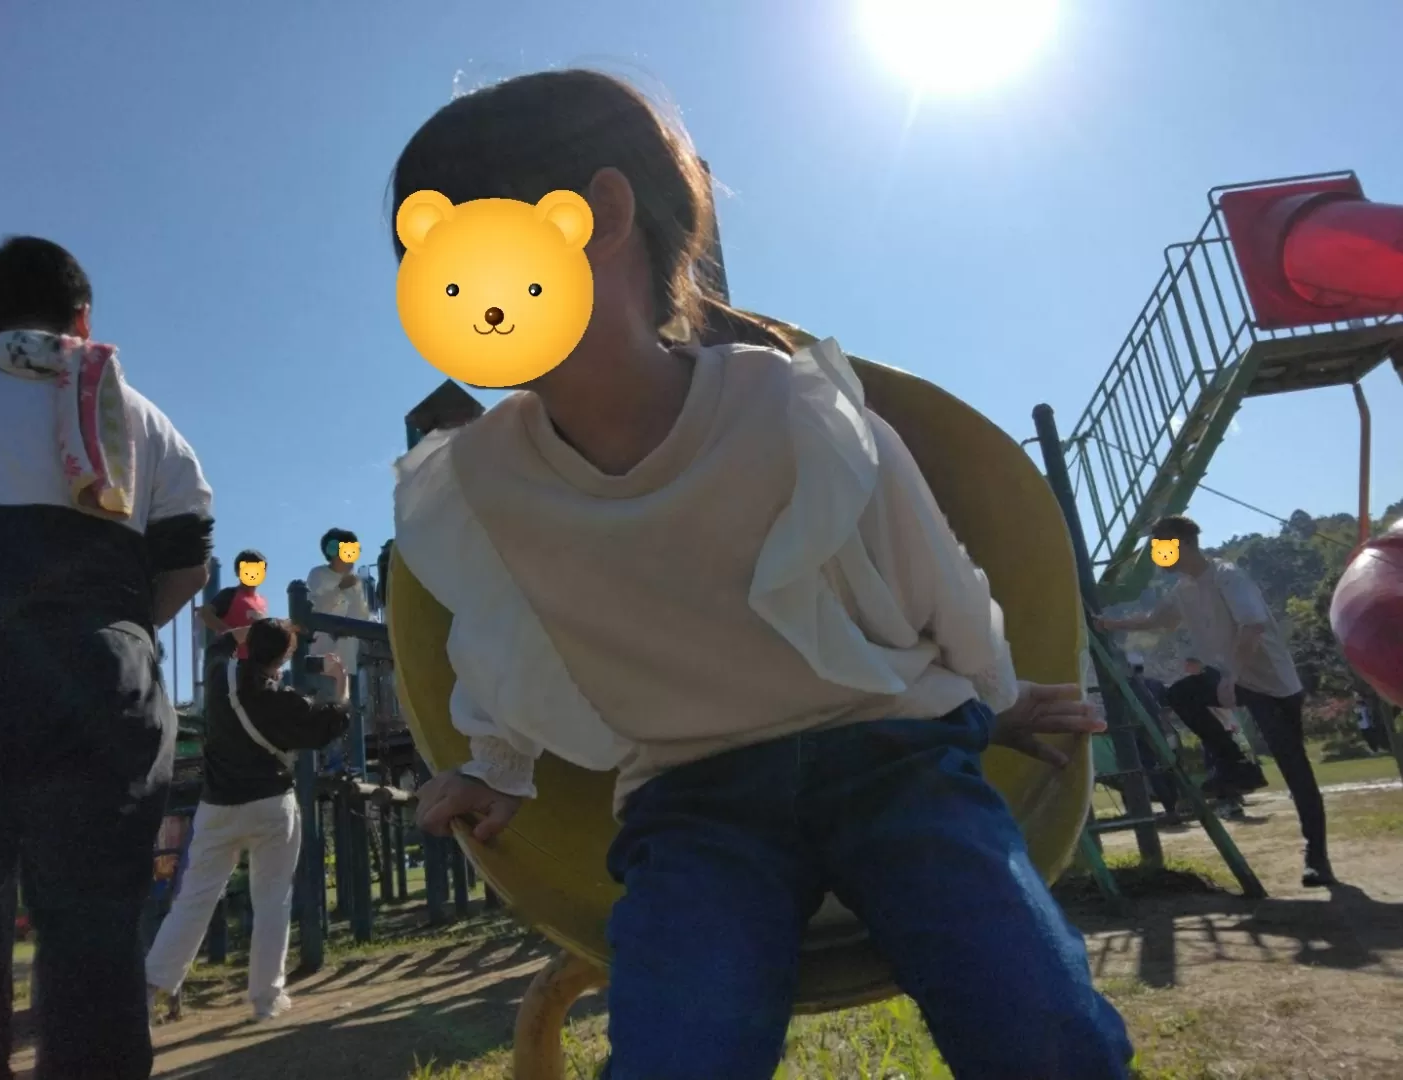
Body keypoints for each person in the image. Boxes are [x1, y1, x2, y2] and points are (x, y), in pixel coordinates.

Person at [391, 70, 1133, 1079]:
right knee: (677, 1053)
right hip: (692, 803)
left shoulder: (783, 405)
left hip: (892, 754)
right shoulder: (481, 482)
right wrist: (494, 768)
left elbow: (928, 572)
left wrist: (995, 695)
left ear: (600, 215)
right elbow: (502, 632)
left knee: (1036, 1023)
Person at [0, 236, 214, 1079]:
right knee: (94, 931)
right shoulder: (139, 418)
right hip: (102, 680)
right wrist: (120, 633)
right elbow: (188, 562)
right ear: (82, 316)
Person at [1098, 515, 1333, 887]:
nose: (1159, 554)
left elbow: (1252, 627)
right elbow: (1157, 620)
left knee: (1294, 768)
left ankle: (1317, 857)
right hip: (1231, 678)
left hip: (1271, 685)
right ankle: (1235, 763)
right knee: (1182, 693)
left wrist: (1231, 676)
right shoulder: (1183, 589)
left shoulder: (1227, 576)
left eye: (1163, 546)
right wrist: (1107, 624)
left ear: (1184, 543)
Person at [145, 619, 350, 1021]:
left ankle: (150, 987)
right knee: (273, 900)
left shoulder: (219, 677)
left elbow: (217, 646)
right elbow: (331, 723)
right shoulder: (285, 701)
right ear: (284, 658)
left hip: (218, 806)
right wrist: (340, 683)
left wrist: (249, 629)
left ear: (248, 644)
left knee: (193, 900)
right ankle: (266, 1000)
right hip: (272, 804)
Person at [305, 527, 372, 688]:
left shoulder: (356, 583)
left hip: (349, 664)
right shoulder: (318, 575)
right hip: (323, 662)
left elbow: (362, 615)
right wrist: (340, 589)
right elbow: (316, 609)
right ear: (333, 552)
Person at [1129, 658, 1182, 824]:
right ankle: (1174, 808)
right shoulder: (1155, 684)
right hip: (1165, 731)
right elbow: (1167, 709)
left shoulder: (1127, 687)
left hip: (1141, 734)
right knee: (1169, 768)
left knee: (1152, 770)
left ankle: (1169, 810)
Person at [199, 548, 269, 672]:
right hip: (233, 665)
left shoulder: (263, 602)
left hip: (256, 667)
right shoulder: (230, 594)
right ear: (238, 572)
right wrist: (230, 633)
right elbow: (206, 613)